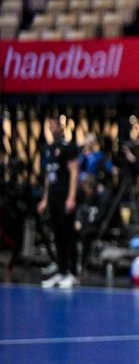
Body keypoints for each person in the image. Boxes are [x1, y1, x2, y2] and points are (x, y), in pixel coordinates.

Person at [38, 116, 80, 289]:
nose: (51, 128)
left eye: (54, 125)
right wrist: (45, 199)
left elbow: (74, 172)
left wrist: (71, 197)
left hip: (64, 196)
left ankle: (72, 273)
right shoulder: (48, 149)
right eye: (49, 126)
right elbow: (49, 176)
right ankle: (61, 271)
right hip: (54, 197)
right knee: (57, 235)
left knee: (68, 234)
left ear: (61, 127)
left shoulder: (67, 148)